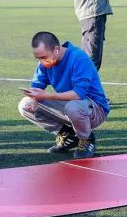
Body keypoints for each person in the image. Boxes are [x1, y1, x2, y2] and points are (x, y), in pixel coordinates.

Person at [18, 31, 110, 159]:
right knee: (25, 104)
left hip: (95, 109)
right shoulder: (45, 62)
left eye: (44, 57)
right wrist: (34, 99)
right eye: (38, 58)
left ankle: (86, 139)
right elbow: (37, 85)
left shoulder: (79, 58)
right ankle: (68, 134)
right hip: (70, 105)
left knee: (73, 107)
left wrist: (46, 96)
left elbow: (78, 94)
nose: (42, 61)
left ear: (56, 50)